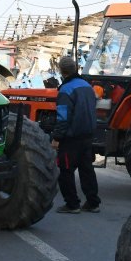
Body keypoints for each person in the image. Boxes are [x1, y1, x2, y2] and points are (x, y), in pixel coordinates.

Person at [51, 56, 100, 214]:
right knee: (87, 169)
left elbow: (63, 116)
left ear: (61, 71)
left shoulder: (65, 89)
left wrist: (57, 137)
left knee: (65, 170)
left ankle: (72, 204)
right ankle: (93, 203)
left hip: (72, 137)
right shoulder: (87, 86)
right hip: (88, 134)